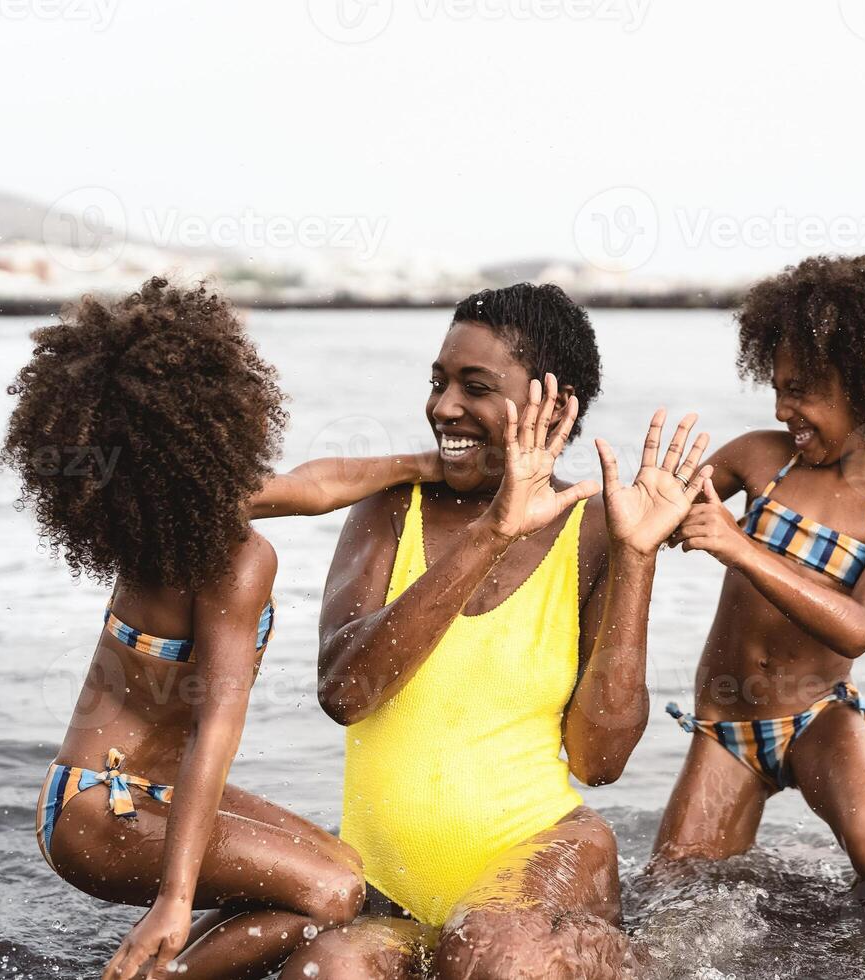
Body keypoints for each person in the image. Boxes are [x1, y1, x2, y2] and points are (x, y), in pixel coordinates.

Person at [2, 277, 445, 980]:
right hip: (100, 807)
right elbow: (217, 729)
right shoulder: (235, 560)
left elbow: (313, 486)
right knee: (332, 893)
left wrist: (430, 465)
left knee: (341, 865)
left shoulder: (168, 514)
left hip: (124, 790)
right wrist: (174, 902)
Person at [290, 283, 711, 979]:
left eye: (474, 387)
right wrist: (491, 532)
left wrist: (638, 558)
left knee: (489, 951)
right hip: (397, 895)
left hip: (542, 864)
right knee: (327, 968)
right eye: (439, 381)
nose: (443, 407)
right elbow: (346, 692)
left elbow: (599, 761)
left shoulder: (597, 531)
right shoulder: (392, 512)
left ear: (554, 403)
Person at [652, 253, 865, 914]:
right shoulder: (760, 459)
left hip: (817, 717)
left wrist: (738, 545)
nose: (782, 409)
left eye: (801, 389)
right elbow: (655, 515)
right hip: (727, 724)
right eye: (776, 387)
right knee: (672, 901)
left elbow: (859, 624)